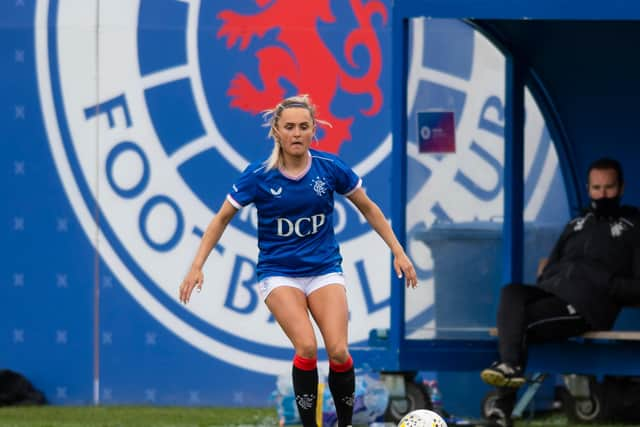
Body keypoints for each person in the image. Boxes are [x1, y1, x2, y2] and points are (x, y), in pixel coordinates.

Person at [179, 94, 418, 427]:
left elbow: (369, 207)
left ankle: (345, 424)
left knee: (338, 352)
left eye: (304, 127)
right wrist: (196, 265)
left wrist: (398, 251)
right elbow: (220, 219)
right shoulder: (259, 176)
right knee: (306, 347)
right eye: (289, 127)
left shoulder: (329, 168)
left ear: (313, 131)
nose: (296, 133)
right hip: (279, 274)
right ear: (276, 130)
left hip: (323, 270)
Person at [480, 157, 640, 427]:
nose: (602, 194)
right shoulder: (577, 223)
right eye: (596, 188)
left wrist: (602, 279)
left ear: (621, 188)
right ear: (588, 189)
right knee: (512, 293)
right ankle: (510, 368)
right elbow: (550, 266)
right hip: (553, 293)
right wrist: (550, 271)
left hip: (587, 306)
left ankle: (501, 407)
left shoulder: (634, 227)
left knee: (519, 323)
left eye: (609, 188)